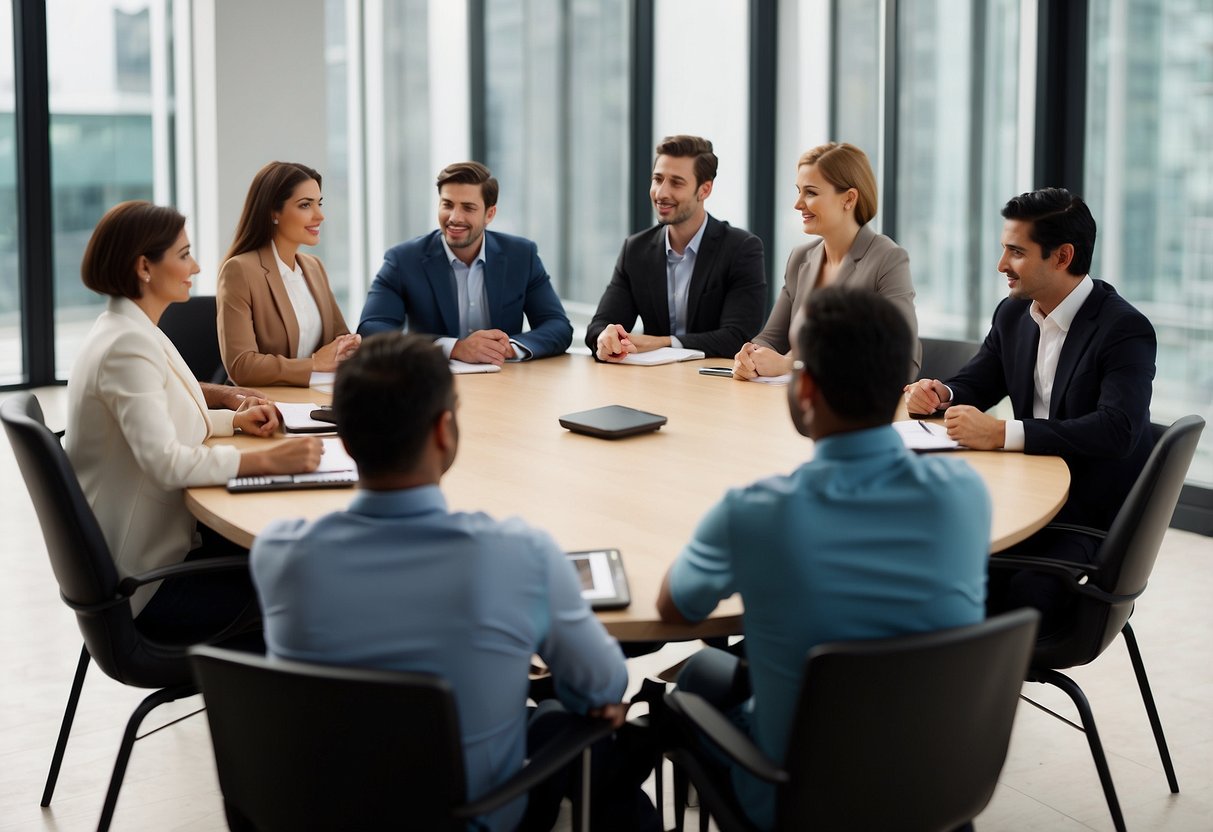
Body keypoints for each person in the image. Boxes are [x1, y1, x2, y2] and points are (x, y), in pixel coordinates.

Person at [250, 333, 655, 831]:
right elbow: (604, 685)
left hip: (324, 813)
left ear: (347, 440)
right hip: (468, 818)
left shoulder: (279, 554)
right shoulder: (517, 555)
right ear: (445, 430)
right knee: (568, 723)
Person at [658, 287, 990, 831]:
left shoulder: (757, 513)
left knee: (695, 682)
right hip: (937, 789)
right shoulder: (965, 495)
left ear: (804, 386)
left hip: (800, 804)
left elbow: (676, 607)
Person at [904, 187, 1156, 634]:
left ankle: (954, 691)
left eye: (1016, 252)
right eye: (1005, 249)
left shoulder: (1124, 329)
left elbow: (1118, 430)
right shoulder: (1014, 315)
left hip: (1081, 517)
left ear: (1062, 257)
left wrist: (1004, 434)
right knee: (916, 557)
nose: (1002, 265)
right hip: (1020, 494)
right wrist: (940, 393)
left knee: (955, 584)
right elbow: (976, 383)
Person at [65, 201, 322, 637]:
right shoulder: (127, 345)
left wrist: (234, 423)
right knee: (305, 592)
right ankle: (276, 703)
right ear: (144, 267)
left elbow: (167, 420)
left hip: (147, 564)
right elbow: (166, 462)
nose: (198, 266)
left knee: (288, 570)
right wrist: (267, 461)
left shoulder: (131, 330)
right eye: (184, 254)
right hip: (147, 588)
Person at [733, 142, 920, 381]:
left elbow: (904, 360)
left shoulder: (887, 259)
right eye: (798, 191)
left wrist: (793, 365)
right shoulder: (800, 258)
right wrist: (749, 356)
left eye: (810, 192)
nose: (798, 204)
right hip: (794, 402)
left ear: (849, 199)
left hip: (854, 410)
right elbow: (771, 338)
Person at [357, 162, 573, 364]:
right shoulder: (403, 260)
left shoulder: (521, 255)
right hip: (432, 383)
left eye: (468, 208)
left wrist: (508, 348)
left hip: (503, 382)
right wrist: (455, 348)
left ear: (490, 214)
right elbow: (371, 329)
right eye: (447, 205)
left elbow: (558, 326)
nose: (454, 217)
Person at [586, 135, 766, 360]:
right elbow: (598, 326)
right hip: (653, 382)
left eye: (676, 182)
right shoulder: (636, 249)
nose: (661, 193)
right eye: (657, 179)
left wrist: (662, 343)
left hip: (714, 385)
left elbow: (737, 337)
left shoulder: (741, 249)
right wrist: (606, 337)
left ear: (704, 190)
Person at [218, 161, 361, 386]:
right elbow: (241, 365)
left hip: (315, 399)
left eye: (319, 203)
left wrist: (349, 346)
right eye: (305, 205)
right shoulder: (240, 271)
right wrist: (313, 363)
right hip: (265, 406)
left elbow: (338, 338)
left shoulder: (314, 267)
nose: (320, 215)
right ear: (273, 212)